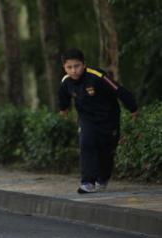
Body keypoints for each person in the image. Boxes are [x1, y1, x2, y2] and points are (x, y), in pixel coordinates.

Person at [58, 48, 138, 194]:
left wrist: (133, 108)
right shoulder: (66, 81)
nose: (73, 71)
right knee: (86, 143)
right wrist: (63, 110)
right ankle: (87, 182)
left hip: (109, 118)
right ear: (64, 67)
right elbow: (63, 97)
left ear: (84, 64)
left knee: (106, 151)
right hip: (86, 119)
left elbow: (118, 89)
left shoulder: (97, 76)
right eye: (69, 67)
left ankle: (102, 178)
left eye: (77, 66)